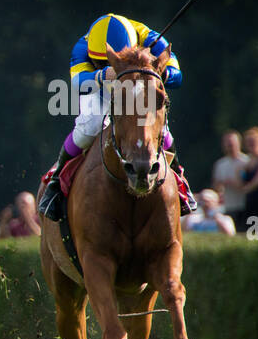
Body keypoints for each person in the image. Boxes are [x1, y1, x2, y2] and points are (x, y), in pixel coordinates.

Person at [38, 13, 197, 220]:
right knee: (89, 127)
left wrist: (160, 74)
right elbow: (78, 82)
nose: (107, 64)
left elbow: (177, 75)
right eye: (100, 61)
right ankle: (56, 182)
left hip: (137, 87)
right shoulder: (82, 46)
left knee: (160, 128)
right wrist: (103, 74)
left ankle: (180, 180)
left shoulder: (149, 37)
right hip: (100, 90)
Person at [211, 129, 248, 229]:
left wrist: (234, 183)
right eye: (227, 143)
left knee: (248, 234)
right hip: (228, 206)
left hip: (245, 205)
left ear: (239, 143)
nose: (230, 146)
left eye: (232, 143)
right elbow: (215, 187)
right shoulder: (220, 164)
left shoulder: (246, 162)